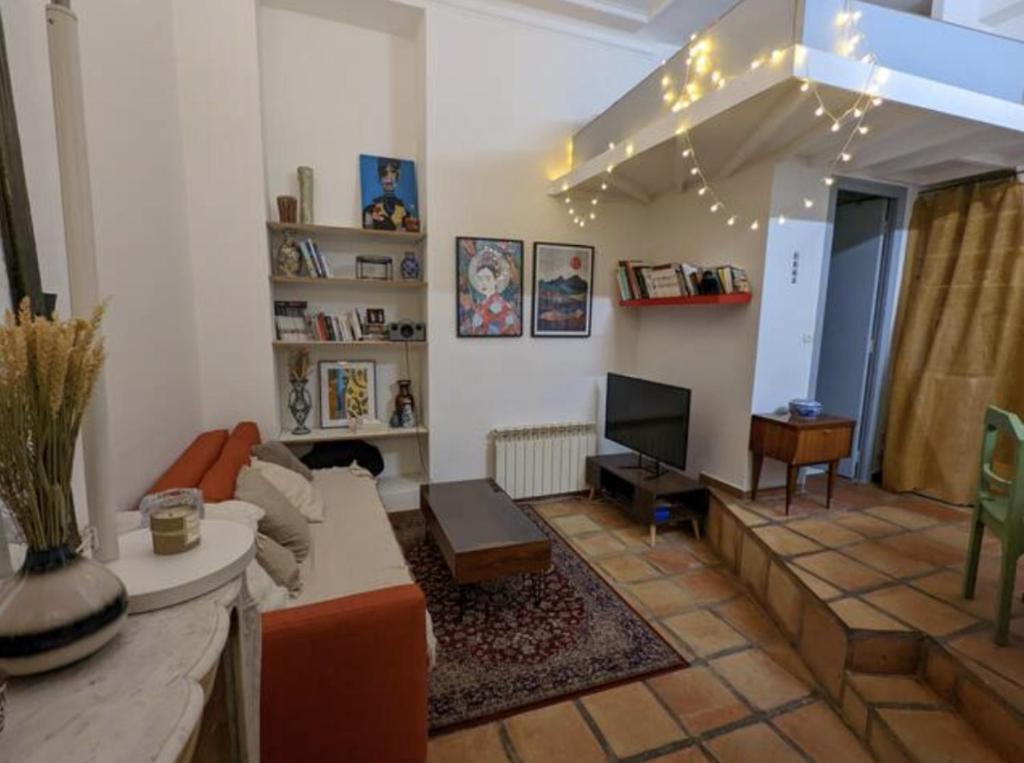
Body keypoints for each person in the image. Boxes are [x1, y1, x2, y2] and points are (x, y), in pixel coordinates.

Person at [363, 158, 417, 231]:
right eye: (384, 172)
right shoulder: (369, 210)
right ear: (380, 177)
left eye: (393, 171)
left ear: (398, 175)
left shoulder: (406, 214)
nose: (389, 177)